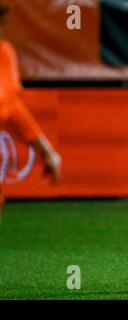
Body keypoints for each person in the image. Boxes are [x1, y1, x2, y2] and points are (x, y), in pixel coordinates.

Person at [0, 0, 61, 218]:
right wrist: (46, 151)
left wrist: (46, 151)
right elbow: (8, 104)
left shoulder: (4, 54)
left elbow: (10, 105)